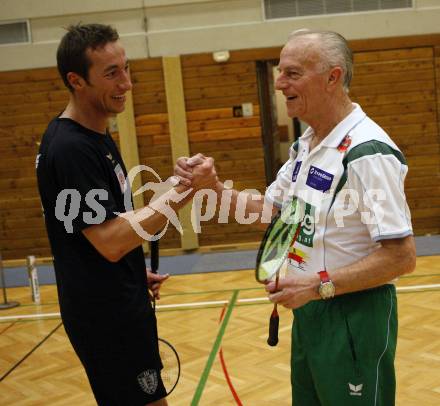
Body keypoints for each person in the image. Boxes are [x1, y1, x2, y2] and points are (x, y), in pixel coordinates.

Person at [176, 29, 416, 405]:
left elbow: (402, 256)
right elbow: (274, 213)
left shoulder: (367, 152)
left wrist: (318, 284)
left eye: (292, 73)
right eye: (279, 72)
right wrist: (215, 188)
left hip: (353, 315)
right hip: (312, 308)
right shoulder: (306, 145)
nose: (278, 83)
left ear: (333, 77)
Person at [36, 23, 217, 406]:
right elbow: (111, 241)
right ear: (76, 80)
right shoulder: (71, 148)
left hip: (116, 301)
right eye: (111, 73)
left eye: (127, 68)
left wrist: (133, 272)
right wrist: (185, 192)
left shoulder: (94, 136)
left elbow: (107, 225)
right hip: (106, 318)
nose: (127, 83)